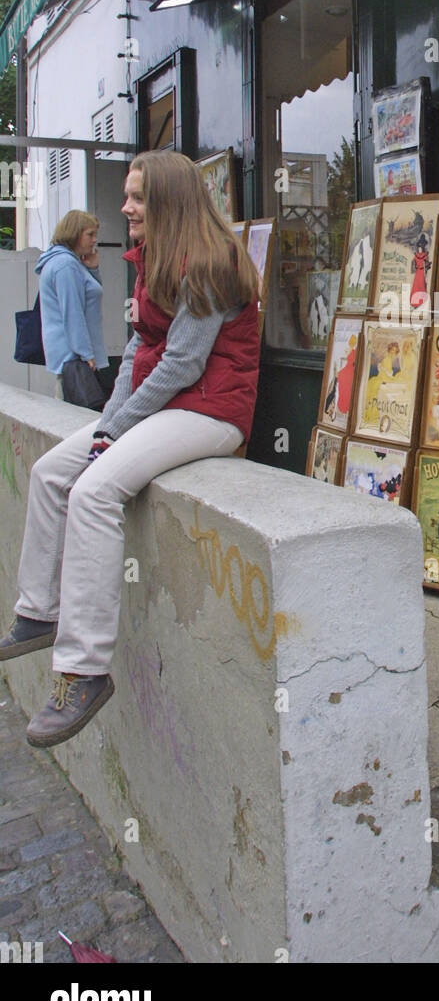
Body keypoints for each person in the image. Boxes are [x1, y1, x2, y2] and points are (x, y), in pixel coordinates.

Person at [0, 152, 261, 748]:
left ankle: (83, 671)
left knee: (94, 491)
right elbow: (139, 358)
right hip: (170, 406)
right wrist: (105, 427)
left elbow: (183, 363)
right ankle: (38, 611)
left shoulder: (213, 262)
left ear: (168, 201)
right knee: (49, 472)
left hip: (212, 413)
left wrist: (115, 434)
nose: (124, 209)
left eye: (137, 198)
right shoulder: (157, 261)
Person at [35, 209, 111, 408]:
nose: (94, 240)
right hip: (74, 359)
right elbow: (73, 313)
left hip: (73, 356)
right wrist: (85, 353)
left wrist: (92, 269)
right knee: (77, 417)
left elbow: (89, 295)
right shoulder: (66, 265)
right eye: (90, 234)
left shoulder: (70, 263)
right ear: (75, 233)